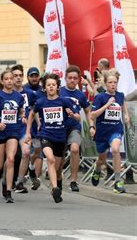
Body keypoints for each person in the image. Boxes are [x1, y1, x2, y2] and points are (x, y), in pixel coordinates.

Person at [25, 73, 80, 203]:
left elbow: (78, 117)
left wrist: (72, 114)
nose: (51, 87)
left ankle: (53, 182)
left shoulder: (64, 101)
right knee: (50, 159)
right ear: (44, 88)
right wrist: (28, 132)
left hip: (60, 137)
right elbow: (31, 115)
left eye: (53, 85)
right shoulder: (41, 102)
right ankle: (55, 188)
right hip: (46, 135)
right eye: (48, 85)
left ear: (57, 87)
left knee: (57, 167)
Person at [0, 69, 25, 203]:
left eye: (11, 78)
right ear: (2, 81)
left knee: (11, 159)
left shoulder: (18, 97)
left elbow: (20, 112)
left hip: (13, 131)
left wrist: (23, 117)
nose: (9, 81)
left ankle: (8, 191)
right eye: (6, 78)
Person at [91, 72, 130, 194]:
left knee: (115, 149)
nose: (113, 85)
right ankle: (97, 169)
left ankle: (118, 182)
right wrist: (107, 105)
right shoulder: (100, 97)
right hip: (102, 132)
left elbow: (124, 109)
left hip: (115, 129)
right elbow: (92, 115)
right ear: (105, 83)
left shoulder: (120, 96)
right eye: (110, 82)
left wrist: (126, 116)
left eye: (115, 82)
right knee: (101, 159)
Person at [58, 65, 95, 192]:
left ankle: (73, 180)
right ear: (65, 78)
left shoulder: (80, 95)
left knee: (74, 149)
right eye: (70, 78)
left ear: (78, 79)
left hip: (74, 127)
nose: (72, 80)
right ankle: (58, 178)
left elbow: (88, 110)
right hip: (59, 128)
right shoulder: (59, 91)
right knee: (59, 157)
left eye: (75, 78)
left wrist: (91, 125)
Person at [11, 64, 36, 194]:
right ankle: (7, 179)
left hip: (23, 129)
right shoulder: (6, 93)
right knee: (11, 157)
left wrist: (39, 122)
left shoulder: (30, 93)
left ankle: (19, 182)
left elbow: (34, 110)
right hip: (8, 129)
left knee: (26, 152)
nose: (18, 78)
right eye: (15, 76)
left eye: (20, 75)